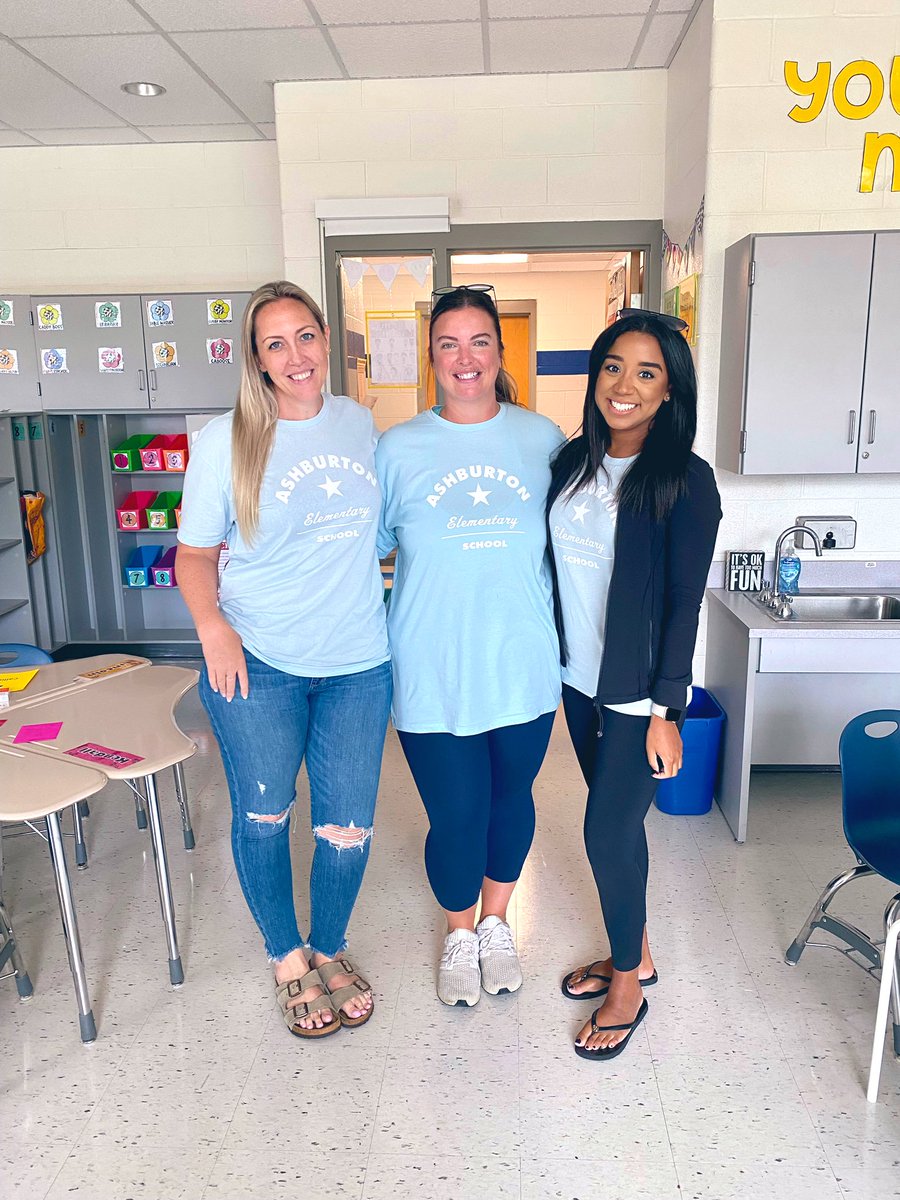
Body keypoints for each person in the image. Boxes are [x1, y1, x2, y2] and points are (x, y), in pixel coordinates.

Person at [176, 280, 392, 1040]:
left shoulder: (361, 424)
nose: (296, 356)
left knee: (348, 826)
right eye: (276, 344)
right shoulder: (223, 441)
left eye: (305, 336)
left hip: (359, 661)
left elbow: (378, 533)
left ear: (326, 339)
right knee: (265, 815)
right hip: (257, 660)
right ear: (258, 360)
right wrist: (212, 627)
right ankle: (287, 957)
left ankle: (329, 946)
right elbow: (194, 554)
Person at [376, 285, 564, 1008]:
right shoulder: (398, 449)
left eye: (478, 341)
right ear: (431, 357)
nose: (465, 357)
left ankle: (495, 923)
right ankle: (459, 935)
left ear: (499, 352)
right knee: (457, 815)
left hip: (521, 663)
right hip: (431, 667)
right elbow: (369, 553)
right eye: (449, 343)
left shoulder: (541, 439)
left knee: (511, 801)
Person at [547, 309, 721, 1060]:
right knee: (619, 827)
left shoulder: (686, 479)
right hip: (577, 681)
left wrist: (667, 710)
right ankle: (638, 949)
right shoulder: (571, 462)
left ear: (670, 390)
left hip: (635, 696)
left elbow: (685, 602)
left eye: (647, 372)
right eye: (614, 366)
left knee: (606, 830)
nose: (625, 385)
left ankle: (627, 984)